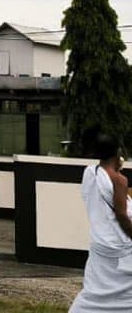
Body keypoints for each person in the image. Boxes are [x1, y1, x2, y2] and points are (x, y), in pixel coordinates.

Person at [69, 133, 132, 312]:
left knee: (95, 291)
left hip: (100, 246)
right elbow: (121, 215)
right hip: (121, 249)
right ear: (117, 153)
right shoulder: (120, 180)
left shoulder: (90, 173)